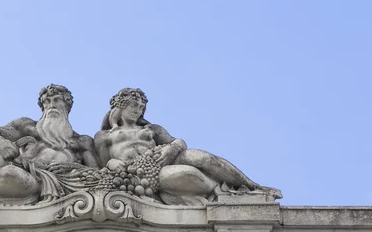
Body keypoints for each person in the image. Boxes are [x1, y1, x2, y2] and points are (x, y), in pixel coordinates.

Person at [94, 88, 280, 205]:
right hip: (140, 173)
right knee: (188, 174)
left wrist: (172, 148)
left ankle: (252, 186)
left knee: (204, 159)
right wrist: (112, 164)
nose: (138, 110)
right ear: (121, 106)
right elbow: (103, 164)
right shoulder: (104, 136)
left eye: (141, 107)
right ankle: (224, 191)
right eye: (133, 105)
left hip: (162, 157)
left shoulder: (152, 129)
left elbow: (178, 141)